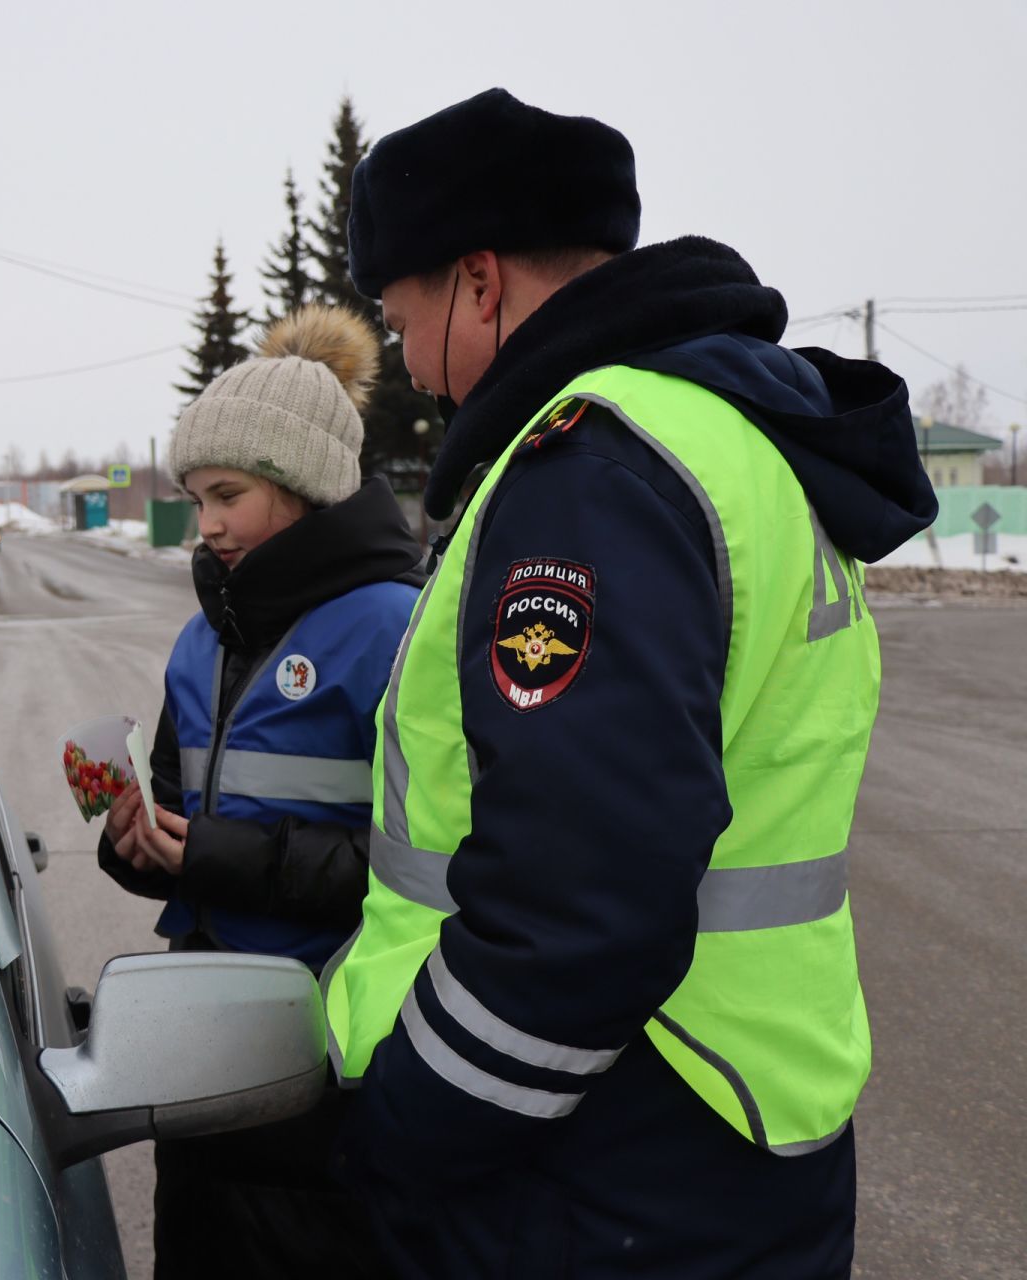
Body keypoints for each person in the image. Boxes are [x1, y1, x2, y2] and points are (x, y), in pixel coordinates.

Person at [320, 89, 937, 1278]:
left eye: (405, 320)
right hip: (744, 1119)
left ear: (481, 282)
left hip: (598, 1156)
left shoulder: (591, 470)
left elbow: (580, 906)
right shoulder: (741, 439)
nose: (412, 365)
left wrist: (404, 1128)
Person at [99, 304, 426, 1279]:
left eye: (226, 495)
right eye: (195, 498)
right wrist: (136, 840)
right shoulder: (203, 636)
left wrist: (210, 855)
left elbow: (423, 872)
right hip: (203, 1066)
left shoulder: (396, 631)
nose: (207, 526)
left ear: (303, 481)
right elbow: (173, 812)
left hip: (328, 1074)